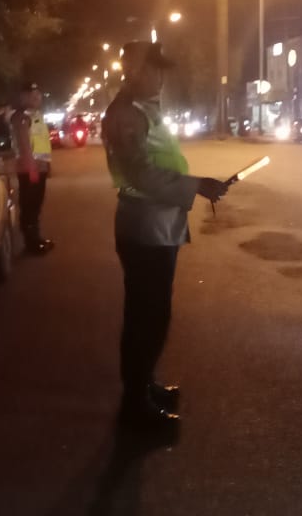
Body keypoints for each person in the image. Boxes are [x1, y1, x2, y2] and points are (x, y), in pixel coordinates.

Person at [101, 41, 229, 429]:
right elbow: (141, 174)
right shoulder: (126, 114)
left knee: (154, 314)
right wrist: (196, 186)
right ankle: (134, 408)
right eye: (152, 69)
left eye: (160, 70)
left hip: (158, 225)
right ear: (134, 71)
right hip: (145, 228)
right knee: (146, 317)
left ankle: (144, 386)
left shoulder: (143, 109)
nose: (159, 77)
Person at [11, 83, 54, 255]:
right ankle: (31, 243)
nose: (37, 98)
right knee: (30, 206)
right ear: (23, 97)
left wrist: (47, 165)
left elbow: (42, 142)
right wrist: (32, 169)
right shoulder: (21, 117)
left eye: (38, 95)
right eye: (32, 95)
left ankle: (36, 239)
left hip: (39, 168)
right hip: (30, 170)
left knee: (36, 205)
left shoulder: (36, 115)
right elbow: (24, 145)